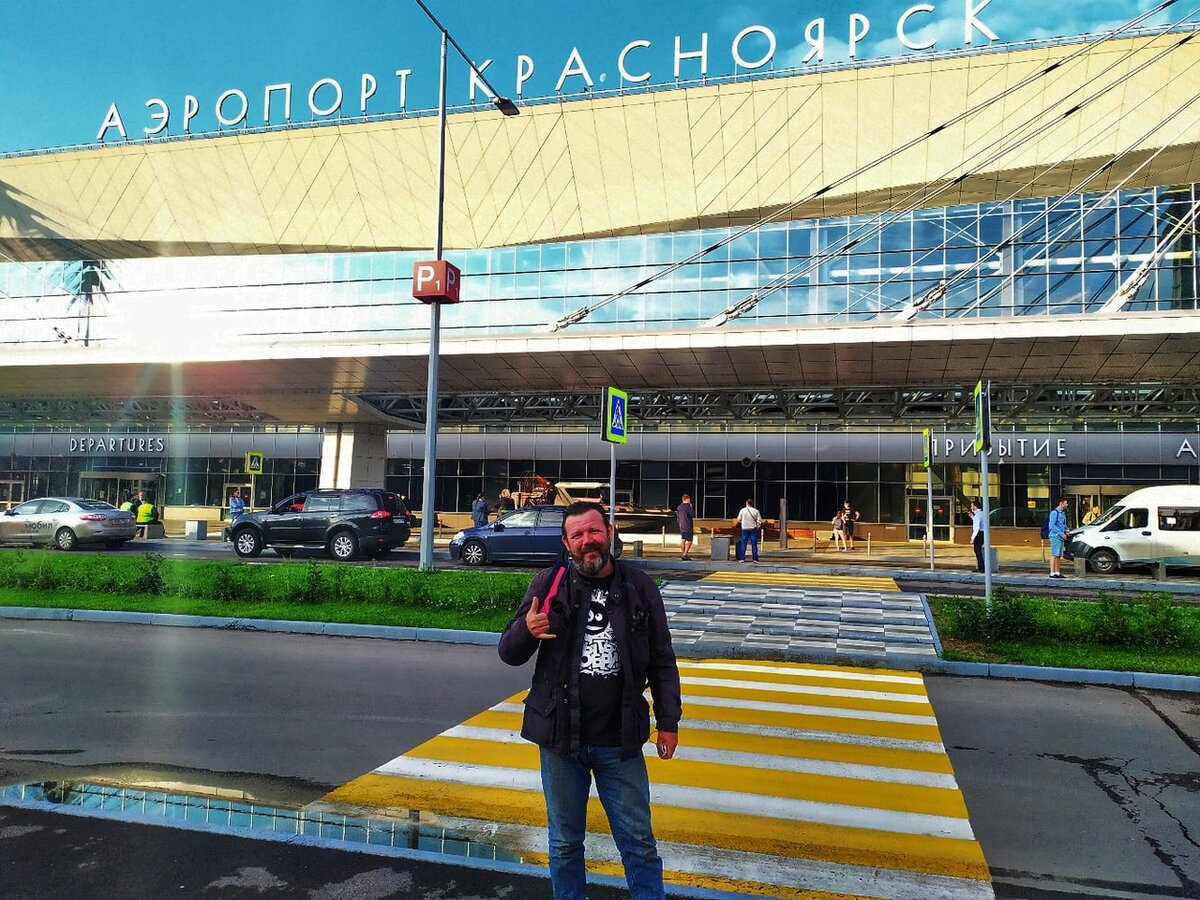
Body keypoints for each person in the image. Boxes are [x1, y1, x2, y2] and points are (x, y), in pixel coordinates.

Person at [498, 500, 681, 900]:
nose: (587, 541)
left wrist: (668, 721)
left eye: (594, 531)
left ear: (610, 533)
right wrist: (526, 629)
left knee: (639, 843)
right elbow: (509, 652)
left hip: (621, 740)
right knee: (565, 844)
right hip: (561, 739)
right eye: (578, 535)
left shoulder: (639, 587)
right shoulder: (548, 584)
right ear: (566, 543)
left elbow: (662, 659)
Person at [1048, 496, 1070, 578]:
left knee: (1058, 555)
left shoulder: (1062, 513)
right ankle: (1052, 572)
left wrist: (1066, 529)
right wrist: (1061, 533)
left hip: (1060, 537)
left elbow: (1063, 524)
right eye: (1066, 503)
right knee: (1054, 554)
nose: (1067, 505)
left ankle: (1057, 572)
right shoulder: (1054, 513)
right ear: (1061, 503)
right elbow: (1052, 525)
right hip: (1055, 536)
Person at [735, 497, 762, 562]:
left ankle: (742, 558)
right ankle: (755, 558)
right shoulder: (756, 511)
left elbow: (738, 519)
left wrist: (743, 522)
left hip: (745, 529)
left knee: (743, 544)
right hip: (753, 529)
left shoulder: (742, 510)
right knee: (754, 544)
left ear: (746, 503)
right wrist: (757, 526)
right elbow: (759, 521)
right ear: (752, 503)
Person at [675, 493, 695, 560]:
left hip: (681, 526)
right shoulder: (688, 507)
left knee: (683, 539)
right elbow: (693, 514)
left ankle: (683, 554)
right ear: (687, 499)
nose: (690, 501)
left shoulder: (679, 507)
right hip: (688, 525)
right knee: (689, 541)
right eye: (689, 499)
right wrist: (691, 507)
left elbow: (677, 518)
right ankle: (685, 554)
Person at [969, 500, 985, 573]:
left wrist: (972, 538)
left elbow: (976, 528)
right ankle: (981, 567)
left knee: (977, 551)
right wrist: (972, 516)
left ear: (975, 507)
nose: (971, 507)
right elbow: (979, 522)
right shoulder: (981, 513)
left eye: (972, 506)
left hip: (979, 534)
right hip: (982, 533)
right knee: (978, 550)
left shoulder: (977, 515)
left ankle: (981, 567)